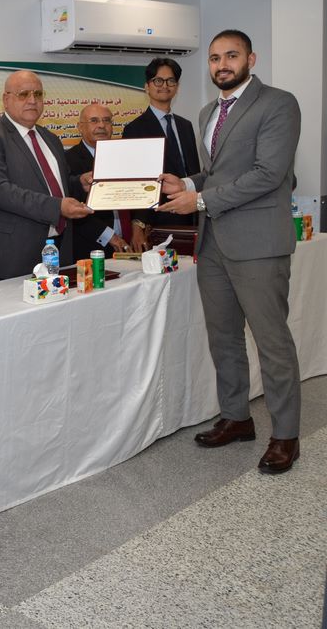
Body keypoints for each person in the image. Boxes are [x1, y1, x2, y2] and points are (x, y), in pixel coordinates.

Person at [158, 29, 302, 474]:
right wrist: (187, 183)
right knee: (223, 337)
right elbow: (217, 172)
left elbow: (268, 174)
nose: (222, 65)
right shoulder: (208, 112)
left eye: (231, 56)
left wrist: (199, 200)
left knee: (272, 342)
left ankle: (286, 436)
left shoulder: (278, 104)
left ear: (250, 59)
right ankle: (237, 417)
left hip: (258, 243)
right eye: (215, 58)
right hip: (213, 243)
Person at [0, 70, 91, 281]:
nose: (32, 100)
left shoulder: (50, 138)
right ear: (6, 100)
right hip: (12, 255)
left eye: (38, 94)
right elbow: (0, 192)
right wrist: (57, 207)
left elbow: (56, 186)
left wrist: (79, 183)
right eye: (23, 94)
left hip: (58, 248)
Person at [123, 57, 202, 244]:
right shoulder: (134, 129)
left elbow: (193, 171)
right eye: (158, 81)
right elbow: (135, 182)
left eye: (170, 81)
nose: (164, 86)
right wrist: (138, 224)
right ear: (147, 86)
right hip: (157, 221)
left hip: (192, 215)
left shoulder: (185, 125)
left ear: (177, 87)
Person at [66, 103, 134, 260]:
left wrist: (138, 225)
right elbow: (74, 208)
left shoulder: (124, 155)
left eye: (107, 120)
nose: (102, 125)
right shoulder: (68, 160)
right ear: (80, 127)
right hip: (93, 248)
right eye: (94, 120)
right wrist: (110, 237)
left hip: (130, 243)